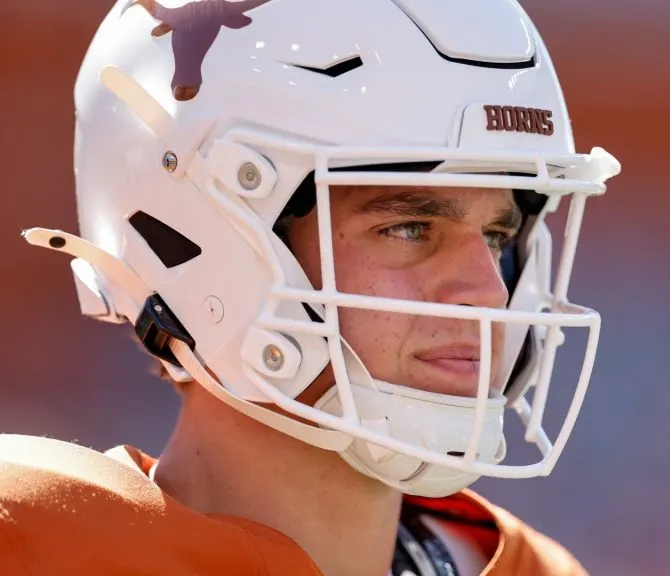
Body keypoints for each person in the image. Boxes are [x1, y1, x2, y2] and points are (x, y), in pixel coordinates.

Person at [0, 0, 620, 574]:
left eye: (495, 237)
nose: (488, 292)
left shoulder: (535, 569)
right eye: (409, 227)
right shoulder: (34, 543)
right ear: (204, 237)